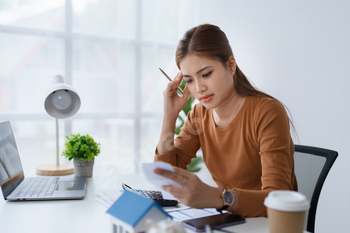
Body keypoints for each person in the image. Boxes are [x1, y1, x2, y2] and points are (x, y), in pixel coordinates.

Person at [153, 24, 297, 217]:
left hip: (269, 225)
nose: (199, 88)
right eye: (189, 80)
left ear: (230, 65)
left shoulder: (267, 112)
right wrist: (169, 116)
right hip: (232, 222)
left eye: (206, 74)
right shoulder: (199, 115)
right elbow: (169, 175)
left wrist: (218, 197)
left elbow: (275, 200)